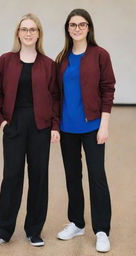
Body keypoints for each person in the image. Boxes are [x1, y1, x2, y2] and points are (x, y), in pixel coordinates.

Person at [0, 13, 60, 249]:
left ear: (38, 34)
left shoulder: (49, 65)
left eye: (33, 29)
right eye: (24, 29)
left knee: (39, 178)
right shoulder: (5, 61)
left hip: (40, 127)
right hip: (14, 126)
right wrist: (1, 120)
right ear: (18, 33)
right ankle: (2, 230)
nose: (28, 33)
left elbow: (57, 97)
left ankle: (34, 230)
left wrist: (55, 126)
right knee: (11, 177)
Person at [55, 9, 115, 253]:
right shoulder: (62, 58)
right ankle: (77, 222)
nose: (77, 28)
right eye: (72, 25)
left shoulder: (100, 55)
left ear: (89, 28)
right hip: (67, 128)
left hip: (92, 127)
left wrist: (104, 125)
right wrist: (54, 125)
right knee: (72, 176)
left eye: (81, 24)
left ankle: (101, 230)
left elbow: (108, 89)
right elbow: (55, 94)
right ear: (68, 29)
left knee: (97, 177)